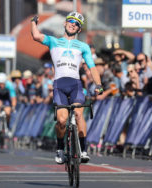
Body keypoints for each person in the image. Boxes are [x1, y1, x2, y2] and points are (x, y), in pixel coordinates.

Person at [31, 12, 103, 164]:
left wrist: (98, 85)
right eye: (70, 21)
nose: (73, 24)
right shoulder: (53, 41)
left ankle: (83, 149)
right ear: (65, 23)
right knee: (62, 121)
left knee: (78, 114)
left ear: (79, 29)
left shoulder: (83, 46)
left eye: (77, 23)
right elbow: (36, 36)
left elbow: (92, 67)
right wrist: (33, 23)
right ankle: (60, 148)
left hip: (75, 85)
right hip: (59, 85)